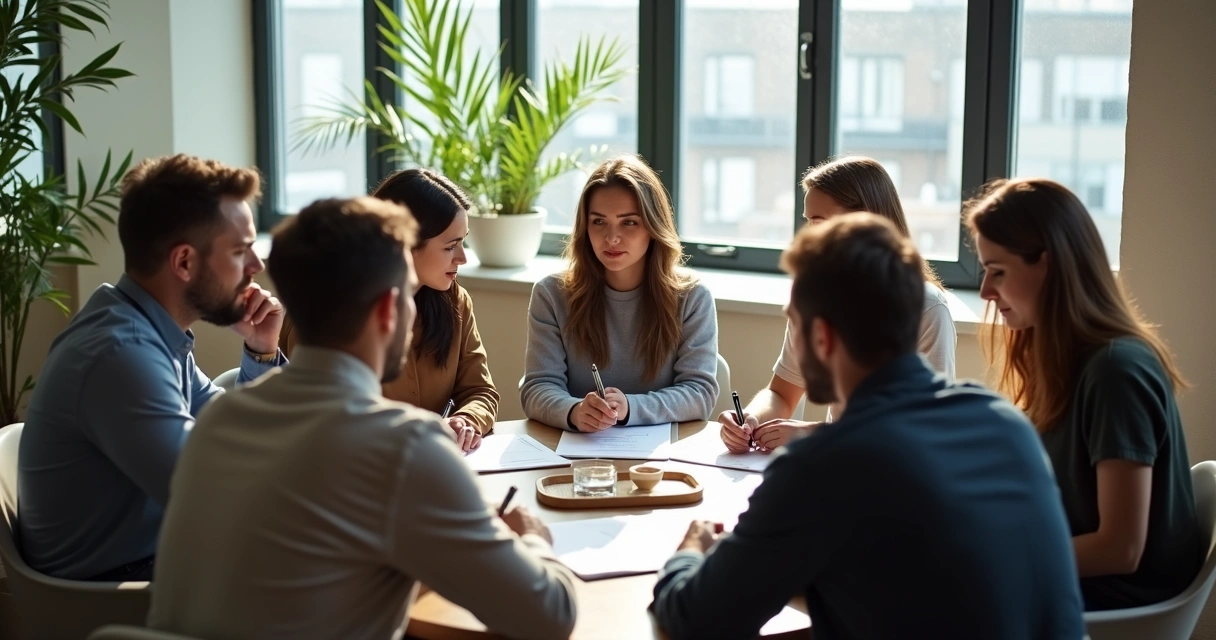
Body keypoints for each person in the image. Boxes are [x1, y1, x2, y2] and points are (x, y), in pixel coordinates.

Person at [148, 197, 577, 640]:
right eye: (409, 292)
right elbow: (550, 616)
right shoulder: (406, 448)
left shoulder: (218, 420)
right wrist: (532, 538)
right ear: (388, 311)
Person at [651, 213, 1085, 640]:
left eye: (794, 321)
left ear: (822, 337)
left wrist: (692, 552)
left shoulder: (822, 467)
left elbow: (696, 619)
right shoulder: (1004, 422)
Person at [17, 154, 285, 581]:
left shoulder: (150, 331)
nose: (257, 267)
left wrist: (262, 352)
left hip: (156, 562)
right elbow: (215, 490)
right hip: (113, 594)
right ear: (183, 263)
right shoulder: (120, 352)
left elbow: (238, 432)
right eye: (240, 251)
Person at [967, 178, 1202, 611]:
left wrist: (998, 555)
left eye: (997, 271)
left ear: (1049, 265)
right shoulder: (1065, 361)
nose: (985, 291)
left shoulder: (1116, 371)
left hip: (1114, 599)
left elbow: (1120, 549)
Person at [720, 156, 956, 453]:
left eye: (819, 222)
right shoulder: (812, 298)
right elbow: (782, 393)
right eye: (807, 222)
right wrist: (751, 421)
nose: (807, 237)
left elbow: (926, 426)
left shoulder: (927, 310)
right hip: (838, 467)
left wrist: (815, 434)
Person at [279, 169, 498, 452]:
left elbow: (480, 390)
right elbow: (319, 421)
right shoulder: (330, 310)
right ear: (406, 244)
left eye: (464, 240)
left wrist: (466, 419)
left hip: (427, 459)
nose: (464, 257)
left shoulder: (455, 301)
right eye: (451, 246)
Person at [521, 155, 719, 431]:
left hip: (660, 461)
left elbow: (700, 393)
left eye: (629, 223)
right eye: (599, 222)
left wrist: (631, 407)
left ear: (653, 227)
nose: (612, 238)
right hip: (578, 452)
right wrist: (574, 411)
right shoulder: (551, 294)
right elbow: (537, 388)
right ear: (584, 227)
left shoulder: (692, 297)